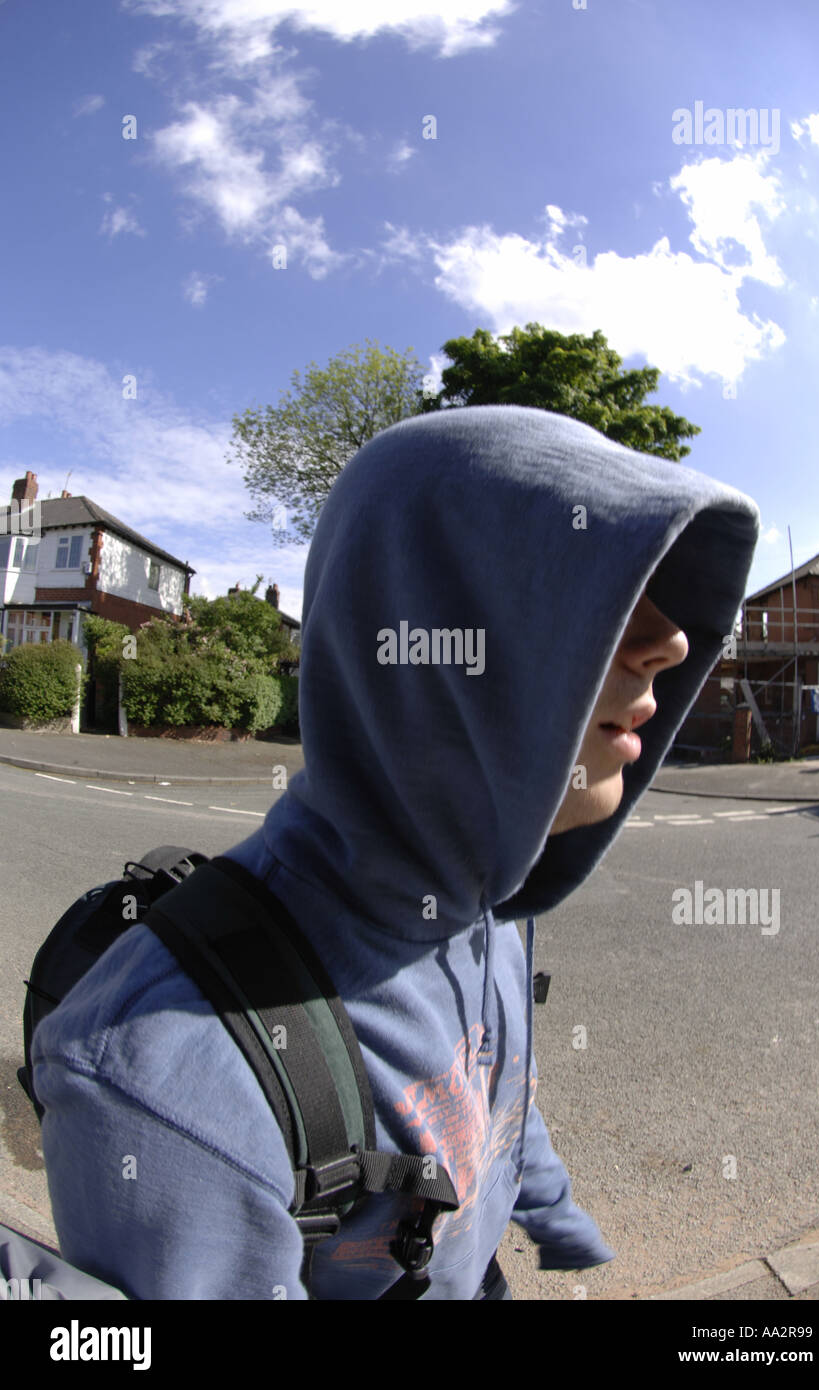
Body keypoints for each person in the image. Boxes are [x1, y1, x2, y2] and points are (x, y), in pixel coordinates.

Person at [32, 404, 759, 1299]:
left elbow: (496, 1086)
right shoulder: (167, 1078)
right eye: (590, 598)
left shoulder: (491, 889)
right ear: (426, 651)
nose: (671, 643)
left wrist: (553, 1211)